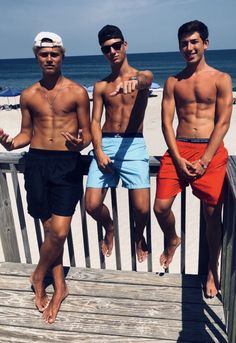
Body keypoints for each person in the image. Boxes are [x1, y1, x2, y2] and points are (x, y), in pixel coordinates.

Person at [0, 31, 91, 323]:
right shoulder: (28, 95)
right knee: (49, 229)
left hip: (67, 163)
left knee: (59, 231)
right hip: (37, 163)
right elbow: (26, 133)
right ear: (37, 57)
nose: (49, 58)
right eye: (44, 54)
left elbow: (87, 132)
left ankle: (38, 277)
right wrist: (10, 143)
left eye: (54, 53)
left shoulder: (77, 92)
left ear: (62, 56)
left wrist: (81, 144)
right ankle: (60, 286)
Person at [154, 20, 232, 298]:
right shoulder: (173, 81)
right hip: (180, 148)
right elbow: (166, 123)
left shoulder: (221, 79)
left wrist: (205, 160)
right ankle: (173, 239)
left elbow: (223, 122)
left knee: (212, 215)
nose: (189, 47)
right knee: (161, 207)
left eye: (194, 42)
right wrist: (176, 159)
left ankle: (212, 267)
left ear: (205, 43)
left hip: (210, 151)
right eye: (184, 43)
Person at [85, 25, 153, 263]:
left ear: (125, 45)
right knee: (91, 205)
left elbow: (147, 79)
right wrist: (98, 150)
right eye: (106, 48)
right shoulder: (101, 86)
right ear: (103, 52)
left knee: (143, 209)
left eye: (116, 45)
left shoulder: (142, 76)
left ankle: (138, 236)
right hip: (106, 144)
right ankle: (110, 228)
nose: (112, 51)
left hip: (134, 144)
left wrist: (135, 81)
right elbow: (95, 121)